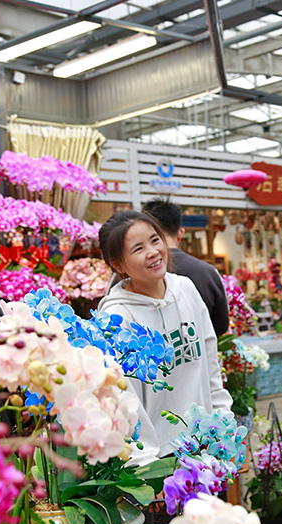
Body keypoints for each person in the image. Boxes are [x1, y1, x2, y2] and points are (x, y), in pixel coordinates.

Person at [97, 210, 232, 466]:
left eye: (155, 240)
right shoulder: (117, 318)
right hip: (159, 457)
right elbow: (126, 399)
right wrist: (145, 465)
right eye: (138, 249)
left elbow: (208, 358)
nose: (153, 252)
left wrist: (222, 417)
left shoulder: (185, 288)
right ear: (118, 264)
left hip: (205, 442)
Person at [142, 198, 229, 337]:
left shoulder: (129, 273)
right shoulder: (208, 272)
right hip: (197, 354)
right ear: (180, 233)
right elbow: (221, 326)